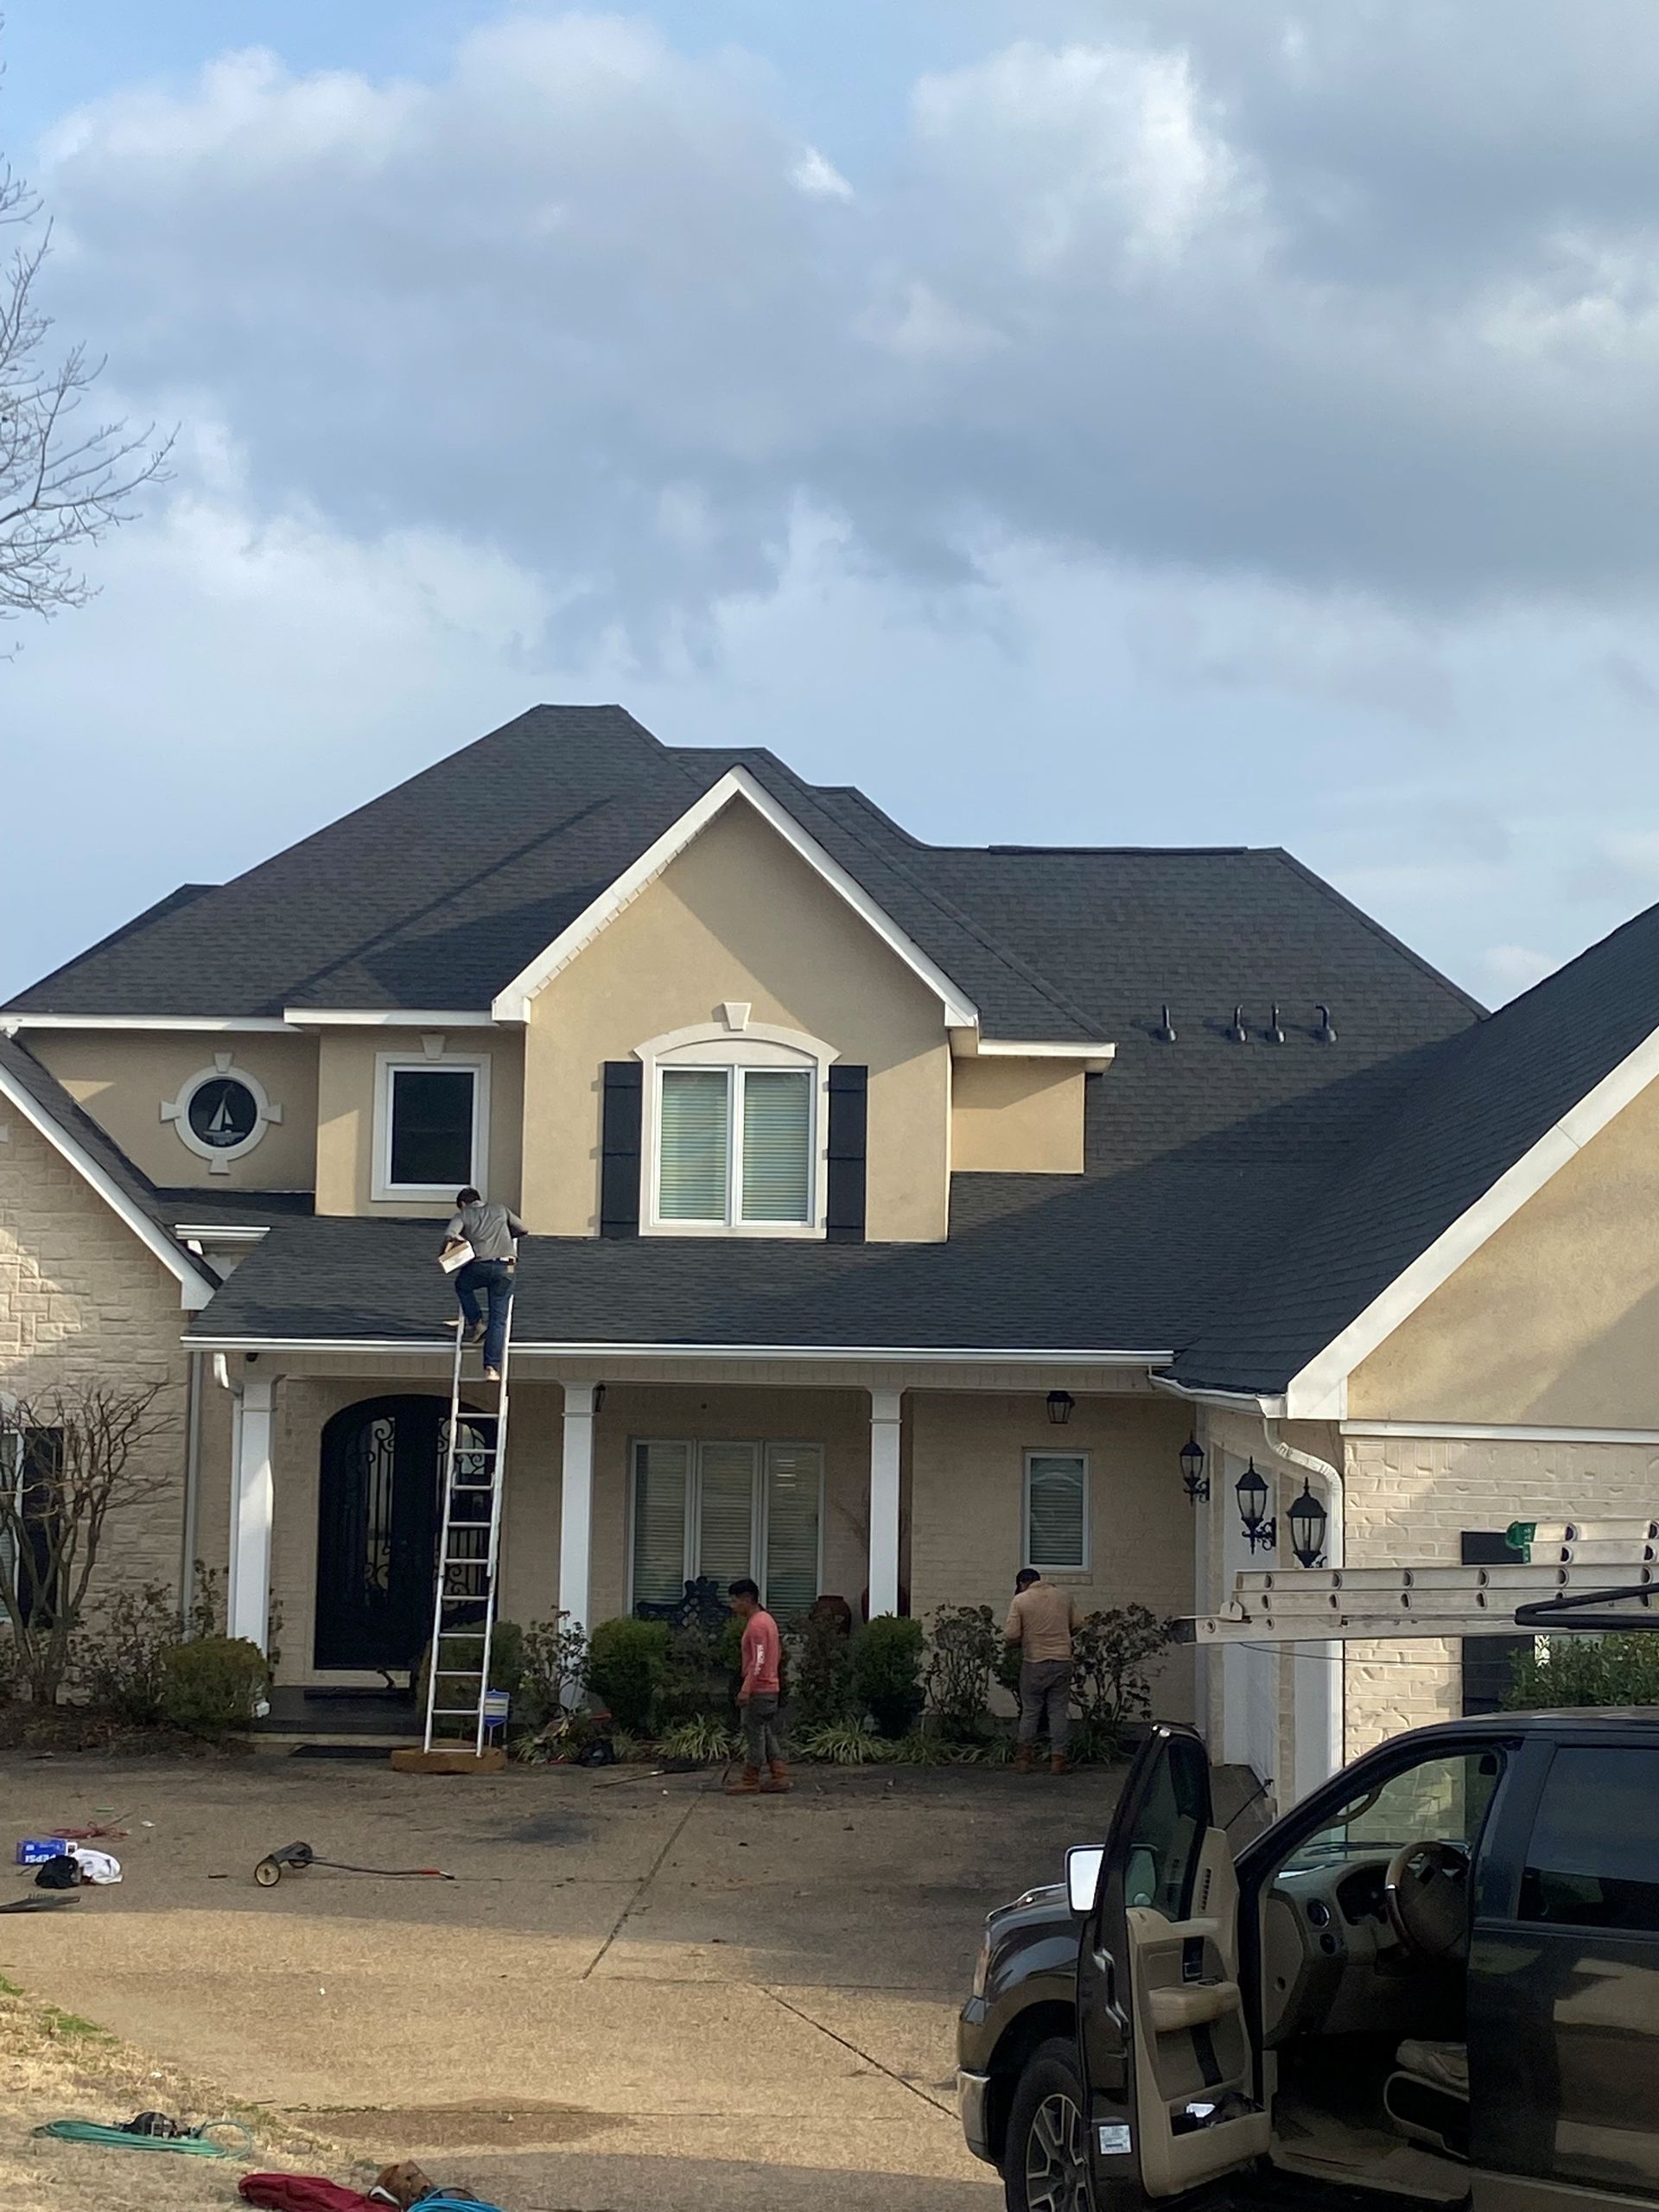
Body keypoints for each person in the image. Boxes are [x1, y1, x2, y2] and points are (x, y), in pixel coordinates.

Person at [440, 1186, 527, 1381]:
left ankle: (477, 1323)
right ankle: (491, 1368)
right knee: (499, 1318)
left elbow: (451, 1235)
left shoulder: (463, 1215)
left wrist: (465, 1243)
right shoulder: (501, 1210)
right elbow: (522, 1229)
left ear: (463, 1203)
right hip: (507, 1267)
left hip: (479, 1265)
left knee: (462, 1285)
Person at [1004, 1567, 1079, 1775]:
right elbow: (1077, 1625)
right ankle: (1058, 1760)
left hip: (1034, 1662)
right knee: (1057, 1711)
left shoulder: (1021, 1600)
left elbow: (1011, 1634)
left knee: (1031, 1710)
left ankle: (1023, 1760)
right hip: (1062, 1660)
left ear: (1021, 1584)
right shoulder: (1064, 1596)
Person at [726, 1576, 790, 1795]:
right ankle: (779, 1775)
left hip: (759, 1690)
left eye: (735, 1601)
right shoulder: (768, 1620)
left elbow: (759, 1659)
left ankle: (750, 1778)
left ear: (747, 1599)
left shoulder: (756, 1626)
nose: (732, 1606)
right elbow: (776, 1653)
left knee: (754, 1734)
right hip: (771, 1687)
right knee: (766, 1732)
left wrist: (746, 1688)